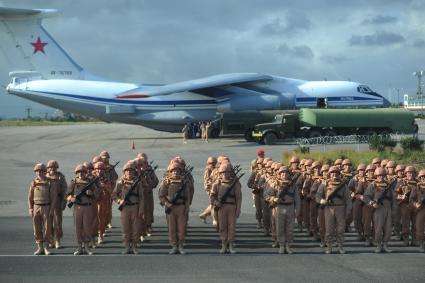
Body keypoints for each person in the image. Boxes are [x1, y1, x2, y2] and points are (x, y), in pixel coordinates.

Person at [316, 166, 351, 254]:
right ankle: (329, 246)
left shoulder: (343, 185)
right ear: (329, 174)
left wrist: (348, 210)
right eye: (332, 173)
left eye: (336, 173)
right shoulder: (325, 184)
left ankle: (340, 246)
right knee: (329, 228)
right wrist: (322, 201)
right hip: (329, 208)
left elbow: (348, 199)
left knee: (341, 229)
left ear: (339, 174)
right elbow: (318, 195)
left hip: (340, 208)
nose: (334, 174)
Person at [265, 166, 300, 254]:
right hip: (279, 207)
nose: (284, 175)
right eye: (282, 173)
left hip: (290, 207)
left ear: (289, 174)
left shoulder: (293, 185)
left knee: (290, 228)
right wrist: (273, 199)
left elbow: (297, 199)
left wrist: (298, 210)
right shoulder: (275, 184)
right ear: (279, 174)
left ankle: (288, 245)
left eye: (286, 173)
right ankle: (281, 245)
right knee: (279, 227)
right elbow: (266, 195)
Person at [159, 161, 190, 254]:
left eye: (177, 171)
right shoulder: (166, 182)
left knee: (181, 228)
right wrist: (167, 204)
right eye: (174, 171)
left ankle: (180, 246)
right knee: (172, 228)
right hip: (171, 208)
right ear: (170, 172)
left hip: (181, 207)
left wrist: (187, 207)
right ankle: (174, 246)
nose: (175, 172)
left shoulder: (184, 182)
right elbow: (161, 196)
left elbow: (187, 197)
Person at [112, 162, 144, 254]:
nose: (129, 172)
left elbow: (141, 197)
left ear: (134, 172)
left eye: (131, 171)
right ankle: (126, 246)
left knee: (135, 228)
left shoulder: (138, 182)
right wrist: (119, 201)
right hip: (125, 208)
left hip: (135, 207)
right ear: (124, 172)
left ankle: (134, 246)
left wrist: (141, 209)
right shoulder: (120, 182)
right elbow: (114, 194)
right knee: (126, 228)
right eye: (127, 171)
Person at [210, 162, 242, 254]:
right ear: (220, 173)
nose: (225, 174)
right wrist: (216, 202)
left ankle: (231, 245)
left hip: (232, 206)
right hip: (221, 207)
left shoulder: (235, 184)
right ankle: (224, 244)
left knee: (231, 226)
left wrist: (238, 209)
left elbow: (239, 198)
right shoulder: (217, 184)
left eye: (227, 172)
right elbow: (212, 196)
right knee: (222, 226)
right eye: (223, 172)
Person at [67, 164, 98, 255]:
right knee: (78, 227)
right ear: (76, 173)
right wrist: (71, 198)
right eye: (79, 172)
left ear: (86, 173)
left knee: (87, 227)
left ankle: (87, 247)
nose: (81, 174)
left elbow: (97, 194)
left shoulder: (90, 182)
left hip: (88, 207)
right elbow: (67, 194)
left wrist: (91, 193)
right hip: (78, 207)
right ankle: (80, 247)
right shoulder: (74, 182)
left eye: (83, 172)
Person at [28, 163, 56, 255]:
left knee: (47, 228)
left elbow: (53, 197)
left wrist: (52, 209)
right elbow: (30, 197)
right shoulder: (33, 182)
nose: (39, 173)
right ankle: (40, 248)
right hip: (36, 206)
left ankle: (46, 248)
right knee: (37, 228)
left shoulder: (50, 182)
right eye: (37, 171)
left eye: (41, 171)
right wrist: (30, 208)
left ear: (45, 172)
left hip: (46, 206)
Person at [364, 167, 393, 253]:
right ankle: (378, 245)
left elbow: (393, 198)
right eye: (379, 175)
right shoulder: (373, 185)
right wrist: (372, 203)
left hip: (388, 208)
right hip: (378, 209)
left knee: (388, 227)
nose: (381, 177)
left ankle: (385, 244)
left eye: (383, 175)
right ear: (376, 176)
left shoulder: (388, 185)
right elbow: (366, 196)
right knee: (378, 228)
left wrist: (394, 209)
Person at [46, 160, 67, 249]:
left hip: (57, 202)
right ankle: (50, 240)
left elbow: (65, 190)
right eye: (50, 167)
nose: (52, 168)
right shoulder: (45, 176)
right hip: (47, 202)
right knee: (48, 222)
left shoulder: (60, 177)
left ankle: (58, 240)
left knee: (57, 222)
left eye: (54, 167)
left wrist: (64, 202)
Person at [410, 169, 425, 252]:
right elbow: (411, 198)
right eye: (422, 177)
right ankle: (421, 244)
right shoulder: (416, 187)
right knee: (419, 226)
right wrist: (415, 204)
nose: (423, 178)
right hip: (420, 209)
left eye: (424, 176)